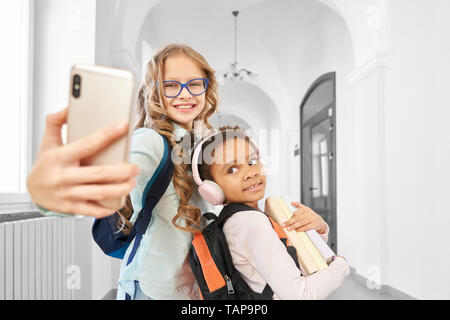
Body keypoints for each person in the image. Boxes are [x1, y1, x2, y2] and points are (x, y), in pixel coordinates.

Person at [28, 43, 219, 300]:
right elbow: (103, 186)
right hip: (151, 290)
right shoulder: (149, 141)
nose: (184, 94)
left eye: (194, 83)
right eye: (171, 85)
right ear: (155, 92)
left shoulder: (199, 144)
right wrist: (54, 194)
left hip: (192, 289)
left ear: (207, 88)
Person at [193, 126, 350, 299]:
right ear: (212, 189)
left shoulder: (236, 220)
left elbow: (288, 263)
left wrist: (318, 231)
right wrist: (341, 265)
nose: (250, 173)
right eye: (232, 169)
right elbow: (300, 295)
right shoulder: (251, 223)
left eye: (252, 162)